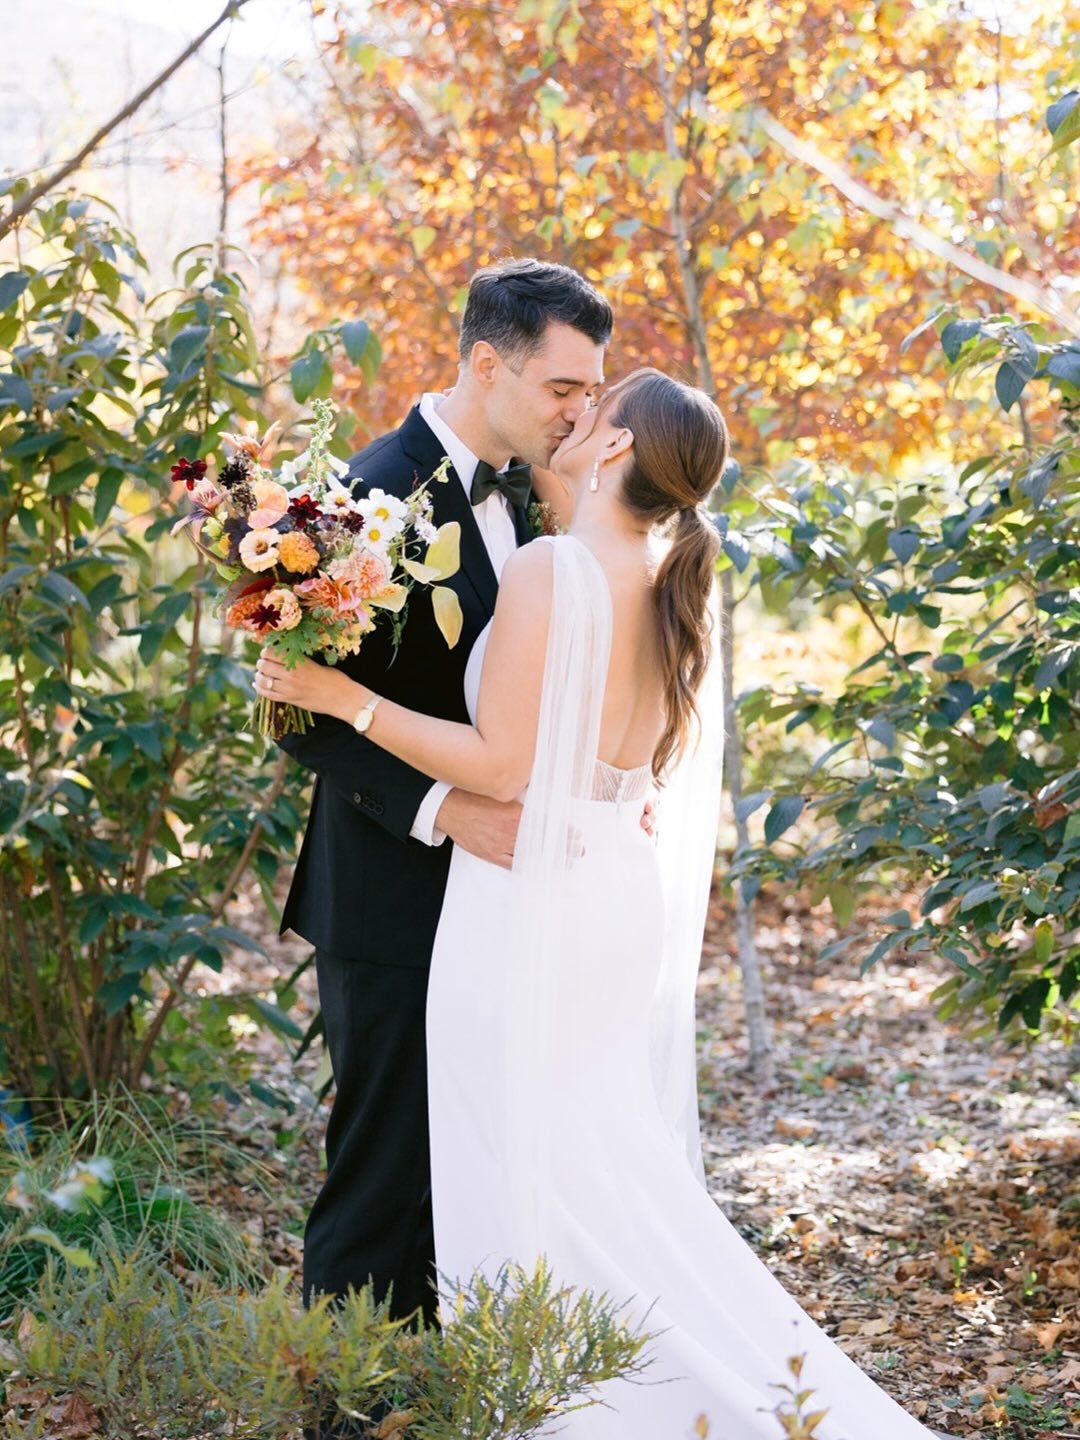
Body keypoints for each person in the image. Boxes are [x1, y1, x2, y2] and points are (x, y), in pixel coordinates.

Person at [259, 368, 937, 1438]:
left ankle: (575, 1405)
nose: (575, 416)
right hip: (608, 885)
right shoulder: (668, 568)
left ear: (618, 447)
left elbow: (503, 765)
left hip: (528, 897)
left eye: (595, 405)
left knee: (517, 1162)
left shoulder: (551, 569)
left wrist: (347, 699)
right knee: (600, 1166)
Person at [275, 258, 612, 1324]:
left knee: (464, 1157)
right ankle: (341, 1392)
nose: (580, 410)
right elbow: (298, 711)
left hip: (497, 898)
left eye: (591, 389)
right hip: (388, 894)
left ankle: (434, 1381)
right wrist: (444, 811)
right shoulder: (369, 496)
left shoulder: (534, 493)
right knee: (382, 1169)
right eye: (563, 387)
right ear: (486, 363)